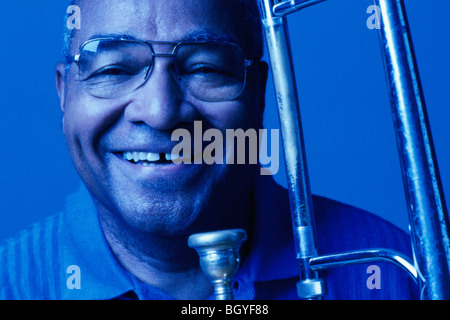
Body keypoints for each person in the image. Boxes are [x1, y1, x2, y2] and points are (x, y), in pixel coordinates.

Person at [0, 0, 419, 300]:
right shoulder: (11, 283)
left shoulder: (397, 276)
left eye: (205, 67)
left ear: (258, 92)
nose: (161, 112)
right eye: (115, 69)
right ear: (64, 92)